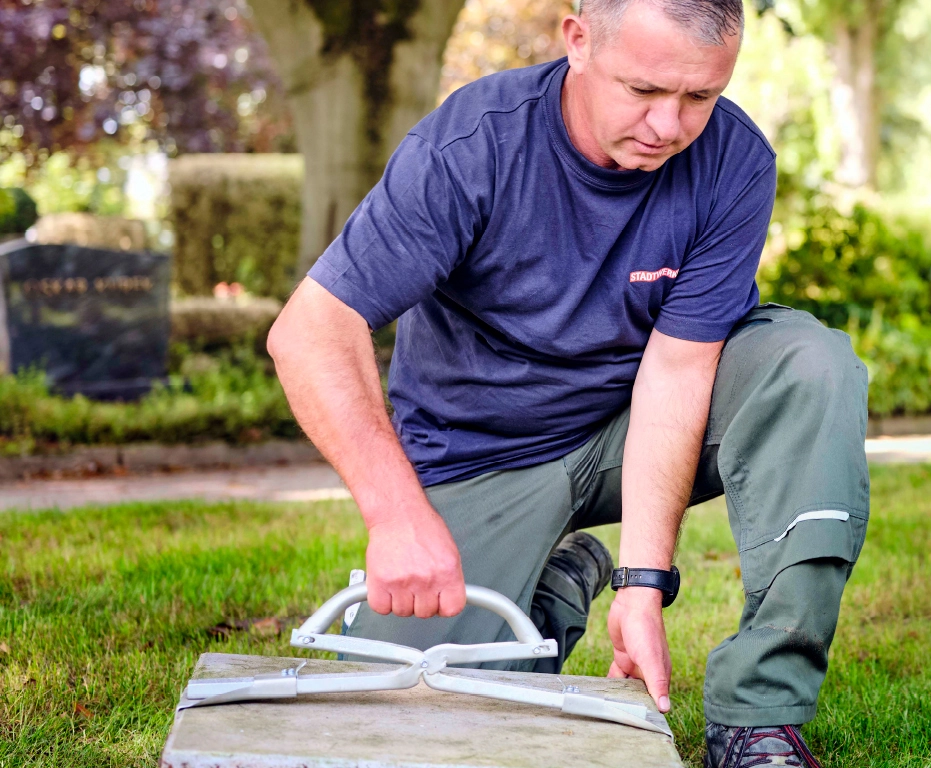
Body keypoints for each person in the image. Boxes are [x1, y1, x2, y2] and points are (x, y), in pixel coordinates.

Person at [266, 0, 867, 765]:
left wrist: (643, 584)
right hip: (484, 454)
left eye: (699, 97)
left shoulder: (732, 159)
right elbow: (310, 331)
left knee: (810, 363)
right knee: (407, 718)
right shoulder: (474, 145)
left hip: (625, 433)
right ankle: (556, 576)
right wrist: (395, 516)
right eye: (644, 91)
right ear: (578, 41)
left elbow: (679, 369)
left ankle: (759, 718)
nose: (669, 125)